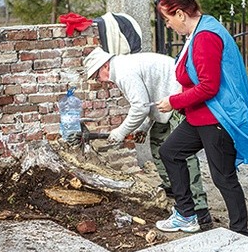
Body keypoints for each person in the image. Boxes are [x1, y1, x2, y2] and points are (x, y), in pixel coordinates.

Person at [155, 0, 248, 235]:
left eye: (168, 19)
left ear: (180, 13)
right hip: (201, 116)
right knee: (170, 152)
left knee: (223, 177)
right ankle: (187, 214)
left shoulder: (205, 37)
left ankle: (240, 232)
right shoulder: (199, 31)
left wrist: (174, 102)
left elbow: (209, 86)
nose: (168, 25)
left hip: (217, 118)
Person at [83, 47, 214, 230]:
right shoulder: (121, 67)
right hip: (164, 101)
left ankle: (200, 210)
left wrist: (120, 132)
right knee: (158, 147)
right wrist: (144, 126)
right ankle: (173, 189)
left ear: (104, 65)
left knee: (182, 155)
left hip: (179, 97)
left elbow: (140, 107)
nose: (97, 80)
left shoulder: (123, 72)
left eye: (96, 75)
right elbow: (148, 99)